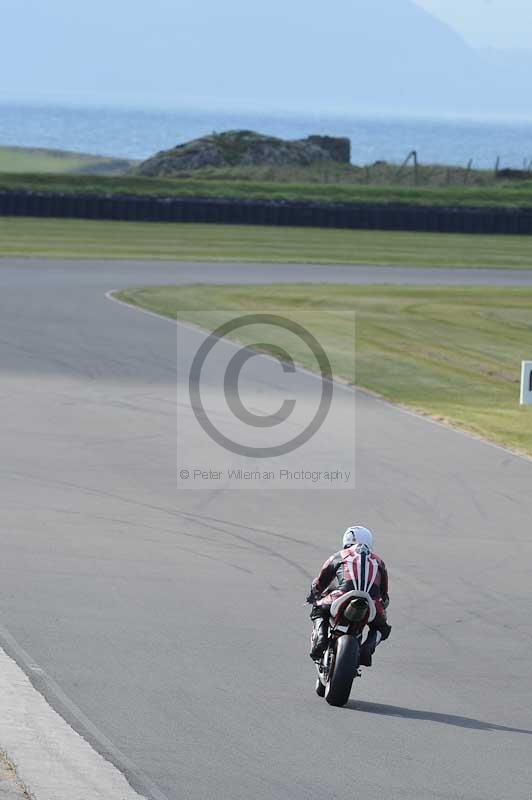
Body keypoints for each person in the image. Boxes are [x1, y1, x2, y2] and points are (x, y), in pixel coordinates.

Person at [307, 525, 391, 666]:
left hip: (342, 595)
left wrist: (313, 596)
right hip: (371, 601)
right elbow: (384, 595)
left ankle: (321, 637)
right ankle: (368, 648)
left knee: (318, 609)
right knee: (383, 628)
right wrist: (382, 607)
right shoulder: (379, 562)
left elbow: (320, 582)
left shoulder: (339, 555)